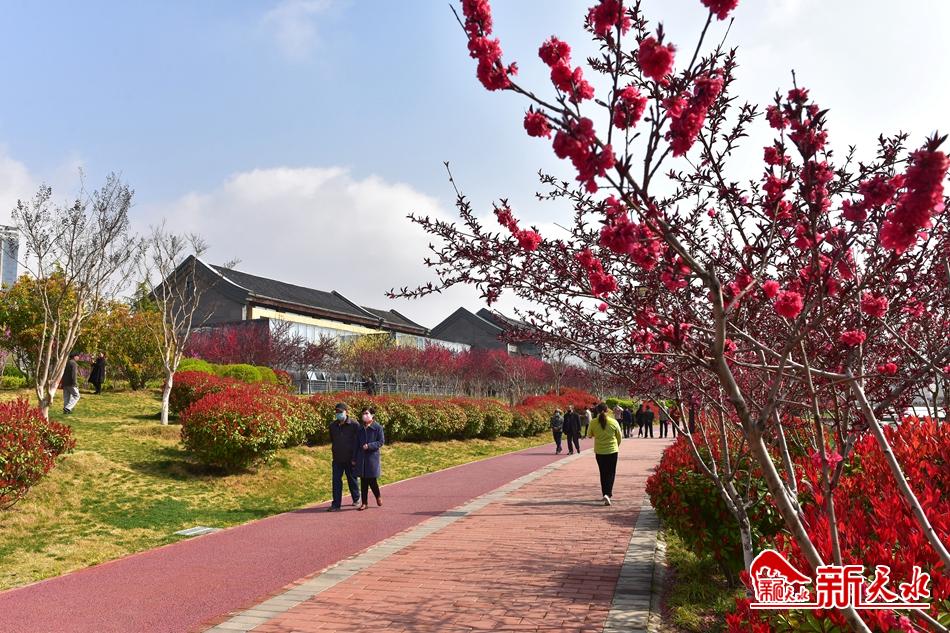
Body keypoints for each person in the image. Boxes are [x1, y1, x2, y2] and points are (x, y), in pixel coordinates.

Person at [327, 402, 361, 512]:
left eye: (340, 412)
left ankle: (356, 498)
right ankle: (336, 504)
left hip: (351, 459)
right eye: (336, 412)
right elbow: (333, 439)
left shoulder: (354, 425)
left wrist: (356, 457)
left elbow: (359, 441)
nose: (338, 414)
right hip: (337, 459)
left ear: (346, 412)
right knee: (336, 481)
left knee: (352, 480)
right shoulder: (332, 426)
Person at [587, 403, 622, 505]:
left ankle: (604, 493)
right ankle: (608, 493)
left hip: (599, 451)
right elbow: (619, 437)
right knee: (611, 473)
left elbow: (589, 435)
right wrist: (616, 445)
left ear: (597, 411)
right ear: (607, 410)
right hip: (612, 451)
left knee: (603, 472)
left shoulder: (593, 422)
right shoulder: (613, 422)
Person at [354, 407, 385, 511]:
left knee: (372, 480)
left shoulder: (378, 428)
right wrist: (354, 458)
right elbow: (356, 444)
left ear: (372, 415)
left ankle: (378, 496)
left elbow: (381, 442)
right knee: (363, 481)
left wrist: (370, 446)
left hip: (372, 458)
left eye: (367, 413)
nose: (365, 415)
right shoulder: (360, 429)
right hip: (361, 457)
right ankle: (364, 503)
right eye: (363, 413)